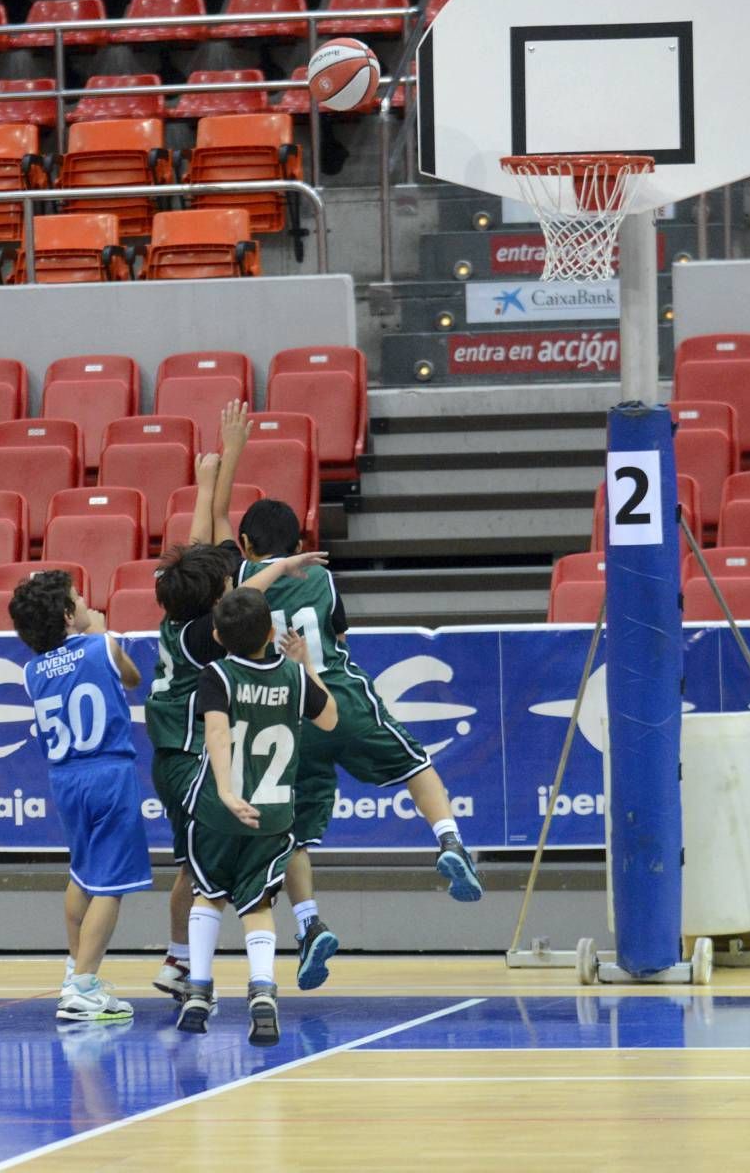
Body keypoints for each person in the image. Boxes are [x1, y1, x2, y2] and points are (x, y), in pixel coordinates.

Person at [237, 499, 484, 992]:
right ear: (300, 545)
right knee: (416, 765)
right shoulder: (322, 579)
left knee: (294, 834)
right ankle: (449, 841)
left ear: (245, 547)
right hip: (336, 694)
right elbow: (340, 635)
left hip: (283, 712)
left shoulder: (242, 577)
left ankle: (310, 923)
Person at [145, 401, 329, 1003]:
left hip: (180, 749)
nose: (232, 574)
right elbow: (243, 584)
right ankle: (188, 967)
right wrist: (284, 567)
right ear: (216, 606)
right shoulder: (202, 633)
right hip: (182, 753)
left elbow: (204, 539)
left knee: (197, 867)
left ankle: (185, 964)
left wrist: (210, 476)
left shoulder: (180, 598)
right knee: (205, 872)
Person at [177, 586, 337, 1041]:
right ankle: (263, 989)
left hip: (219, 812)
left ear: (217, 635)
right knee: (259, 904)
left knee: (207, 896)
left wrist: (225, 791)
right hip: (272, 815)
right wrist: (306, 664)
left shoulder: (217, 675)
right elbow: (330, 719)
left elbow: (217, 733)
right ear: (271, 632)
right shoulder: (294, 677)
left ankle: (199, 989)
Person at [9, 569, 151, 1023]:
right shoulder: (102, 645)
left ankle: (75, 971)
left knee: (83, 874)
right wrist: (101, 633)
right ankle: (84, 987)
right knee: (110, 885)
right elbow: (131, 679)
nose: (86, 599)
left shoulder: (31, 671)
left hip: (65, 778)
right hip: (108, 772)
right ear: (70, 614)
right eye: (78, 597)